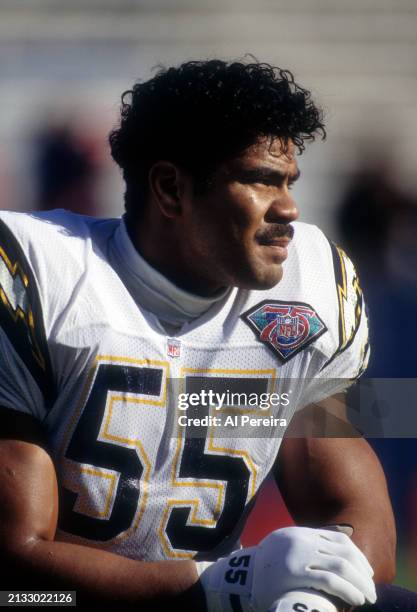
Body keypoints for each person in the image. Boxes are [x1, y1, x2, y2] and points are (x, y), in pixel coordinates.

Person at [0, 59, 403, 611]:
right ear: (171, 189)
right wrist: (215, 586)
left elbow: (359, 520)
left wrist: (320, 584)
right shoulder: (39, 274)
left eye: (288, 182)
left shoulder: (313, 286)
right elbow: (15, 555)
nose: (288, 208)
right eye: (260, 179)